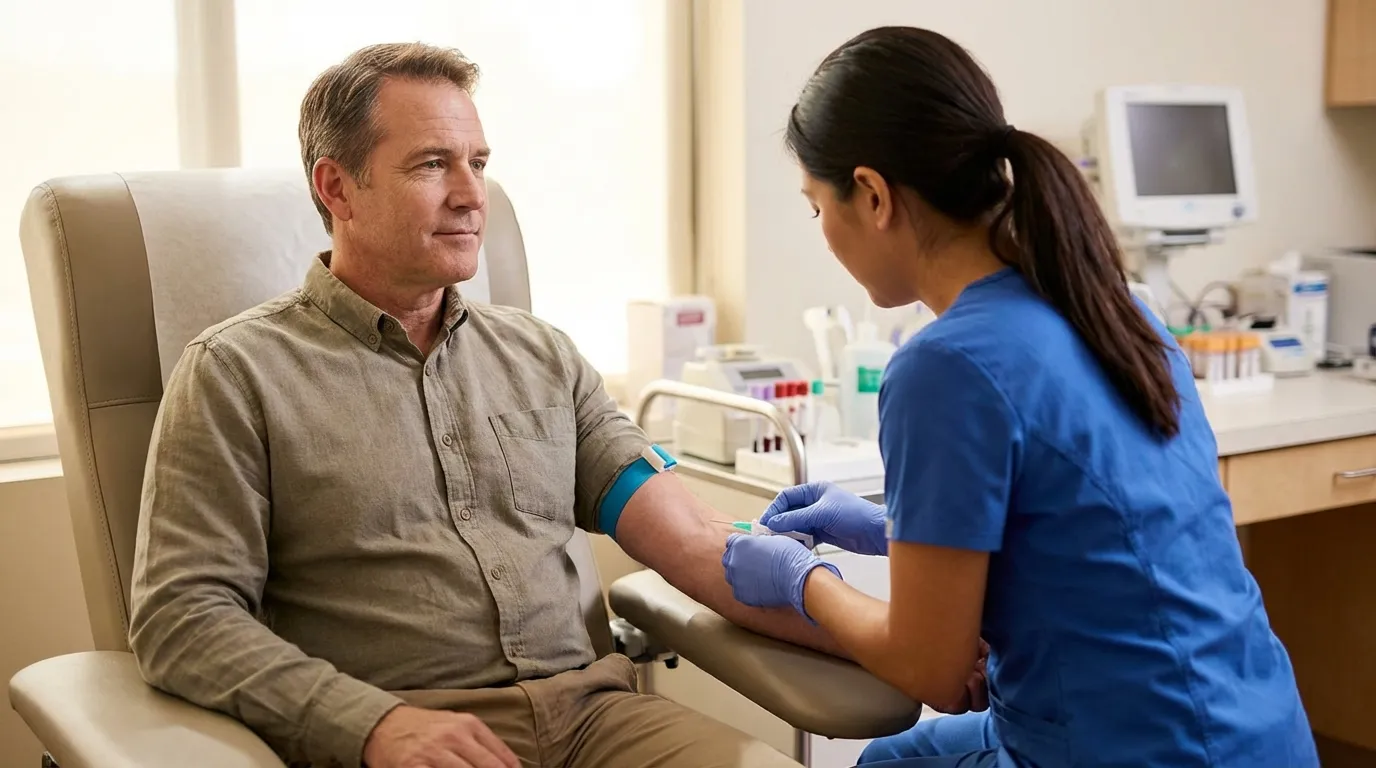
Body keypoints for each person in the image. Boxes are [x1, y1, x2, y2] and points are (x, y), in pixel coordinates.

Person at [128, 42, 828, 768]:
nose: (471, 195)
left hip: (596, 721)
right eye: (433, 164)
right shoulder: (237, 374)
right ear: (337, 188)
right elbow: (181, 617)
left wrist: (904, 633)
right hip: (411, 734)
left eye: (479, 163)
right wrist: (372, 725)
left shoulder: (541, 357)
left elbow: (691, 539)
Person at [721, 26, 1319, 768]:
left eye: (818, 208)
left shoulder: (943, 368)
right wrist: (889, 528)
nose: (824, 233)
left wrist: (798, 580)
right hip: (1260, 730)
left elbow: (931, 670)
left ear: (872, 196)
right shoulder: (1117, 309)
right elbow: (1084, 527)